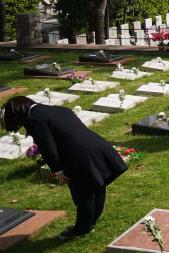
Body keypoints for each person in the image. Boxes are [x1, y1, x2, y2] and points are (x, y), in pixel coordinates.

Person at [1, 96, 127, 239]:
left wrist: (58, 170)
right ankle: (90, 223)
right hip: (96, 146)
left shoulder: (35, 119)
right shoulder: (57, 109)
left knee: (83, 194)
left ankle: (81, 230)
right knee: (98, 185)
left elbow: (47, 146)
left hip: (78, 156)